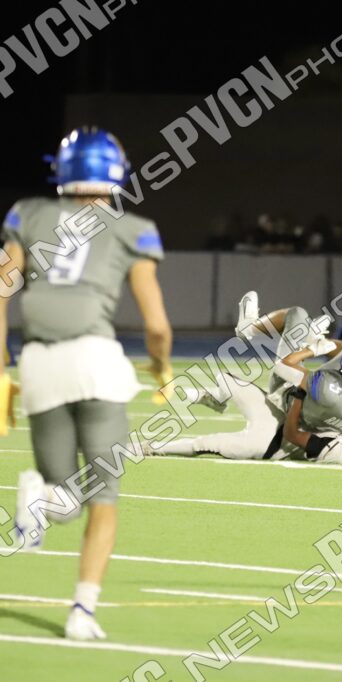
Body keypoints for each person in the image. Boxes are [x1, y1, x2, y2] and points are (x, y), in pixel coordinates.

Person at [0, 127, 173, 640]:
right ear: (117, 173)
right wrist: (161, 366)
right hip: (95, 361)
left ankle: (40, 495)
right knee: (102, 496)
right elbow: (157, 326)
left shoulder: (27, 214)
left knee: (64, 496)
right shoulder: (133, 228)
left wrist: (1, 367)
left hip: (39, 362)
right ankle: (82, 612)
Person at [148, 293, 342, 465]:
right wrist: (322, 343)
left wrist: (312, 350)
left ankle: (148, 447)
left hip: (283, 418)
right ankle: (218, 392)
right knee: (226, 379)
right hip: (303, 403)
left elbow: (284, 369)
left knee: (206, 444)